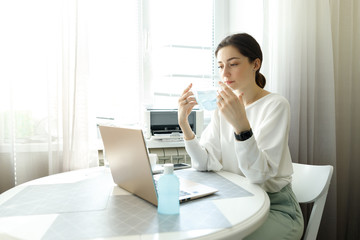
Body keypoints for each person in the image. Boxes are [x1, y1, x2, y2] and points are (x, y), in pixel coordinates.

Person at [177, 33, 304, 239]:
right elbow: (205, 163)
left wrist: (241, 126)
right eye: (220, 66)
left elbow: (258, 176)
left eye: (233, 64)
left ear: (255, 64)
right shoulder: (223, 108)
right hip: (237, 201)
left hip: (275, 207)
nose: (225, 73)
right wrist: (184, 125)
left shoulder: (276, 105)